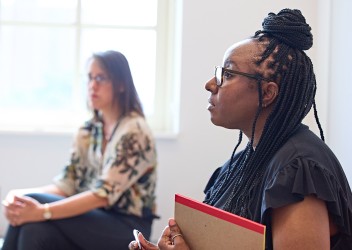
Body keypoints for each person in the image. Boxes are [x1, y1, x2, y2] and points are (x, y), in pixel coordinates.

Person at [129, 8, 352, 250]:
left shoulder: (299, 170)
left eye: (227, 73)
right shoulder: (242, 162)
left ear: (267, 93)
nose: (210, 84)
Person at [2, 50, 158, 250]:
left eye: (101, 78)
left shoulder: (135, 131)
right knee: (33, 228)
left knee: (33, 206)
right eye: (90, 78)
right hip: (92, 220)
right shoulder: (88, 130)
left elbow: (102, 195)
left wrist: (42, 210)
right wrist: (19, 196)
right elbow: (67, 185)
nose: (92, 85)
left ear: (120, 84)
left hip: (127, 226)